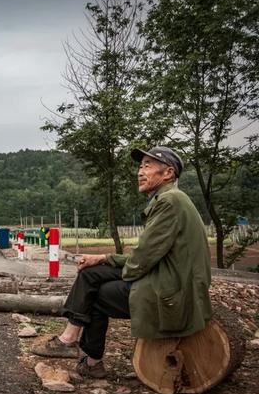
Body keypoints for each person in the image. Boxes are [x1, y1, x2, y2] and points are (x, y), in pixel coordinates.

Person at [31, 146, 212, 379]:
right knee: (92, 274)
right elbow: (147, 255)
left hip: (171, 291)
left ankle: (83, 353)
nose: (140, 171)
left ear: (168, 173)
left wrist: (107, 261)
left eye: (148, 166)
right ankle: (75, 346)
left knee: (95, 291)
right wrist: (103, 258)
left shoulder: (169, 202)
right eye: (140, 166)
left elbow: (142, 259)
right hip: (168, 279)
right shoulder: (171, 199)